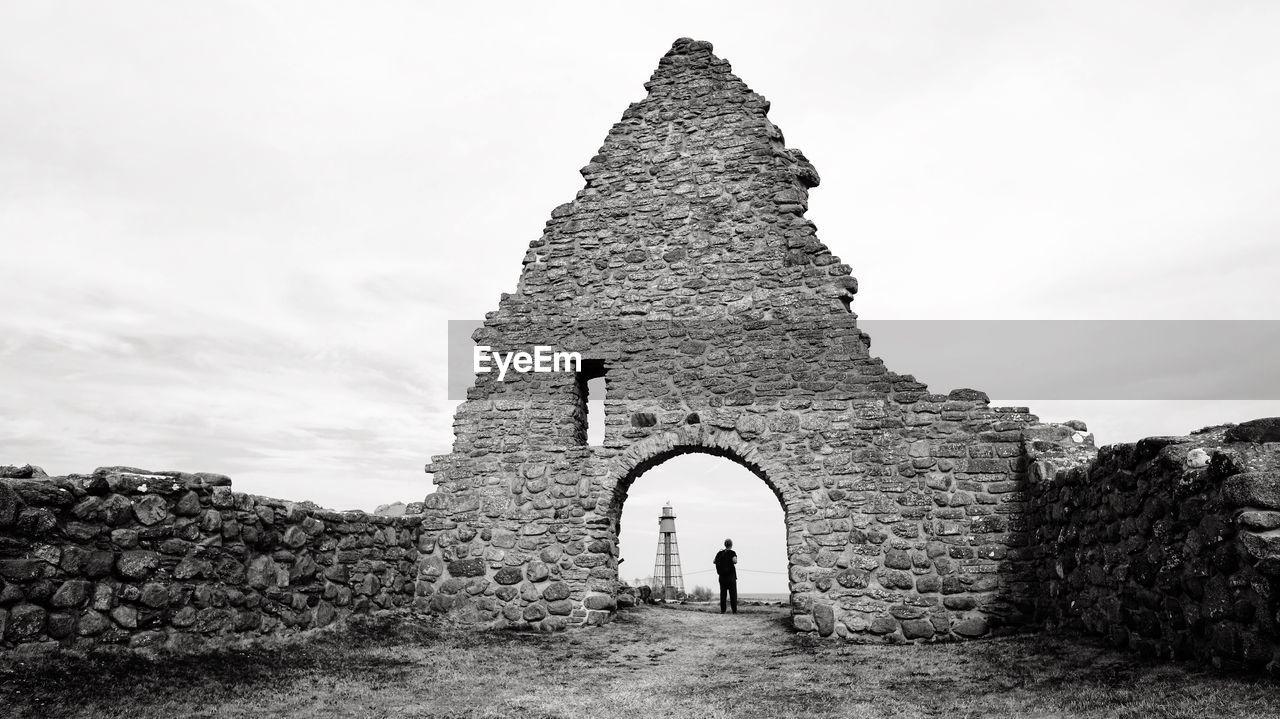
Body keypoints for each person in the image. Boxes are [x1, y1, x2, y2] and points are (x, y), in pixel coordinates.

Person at [713, 538, 738, 614]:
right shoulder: (732, 552)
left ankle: (723, 610)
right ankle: (734, 610)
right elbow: (734, 561)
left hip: (722, 577)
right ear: (731, 545)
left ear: (725, 544)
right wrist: (735, 559)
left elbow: (714, 561)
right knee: (733, 594)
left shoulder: (719, 553)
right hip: (731, 577)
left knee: (723, 594)